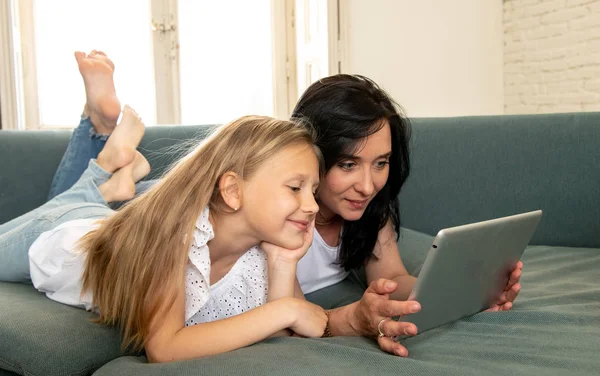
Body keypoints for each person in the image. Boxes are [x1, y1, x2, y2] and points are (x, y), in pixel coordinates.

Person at [48, 51, 523, 357]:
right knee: (69, 208)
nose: (367, 184)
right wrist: (295, 312)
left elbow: (369, 289)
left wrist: (467, 287)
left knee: (91, 209)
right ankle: (101, 150)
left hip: (128, 232)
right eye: (347, 165)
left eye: (380, 164)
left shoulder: (293, 237)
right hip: (83, 235)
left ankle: (113, 174)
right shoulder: (243, 218)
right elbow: (176, 340)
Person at [0, 101, 329, 361]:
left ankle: (110, 183)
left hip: (110, 227)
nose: (313, 205)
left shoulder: (264, 248)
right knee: (58, 210)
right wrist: (285, 309)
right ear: (232, 191)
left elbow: (280, 340)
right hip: (61, 235)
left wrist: (284, 264)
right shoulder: (175, 237)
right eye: (295, 188)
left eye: (313, 190)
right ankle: (99, 181)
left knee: (93, 208)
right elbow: (165, 348)